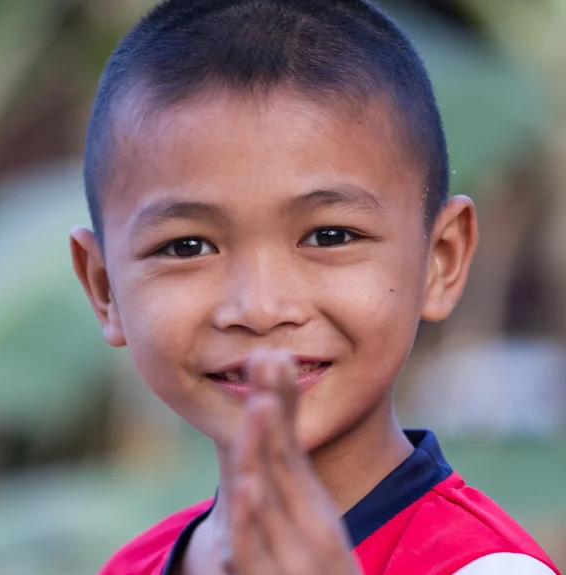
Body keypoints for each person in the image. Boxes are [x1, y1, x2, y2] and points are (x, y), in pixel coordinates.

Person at [70, 1, 561, 573]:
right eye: (187, 246)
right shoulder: (136, 562)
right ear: (105, 289)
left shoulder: (482, 566)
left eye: (329, 235)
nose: (259, 307)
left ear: (440, 260)